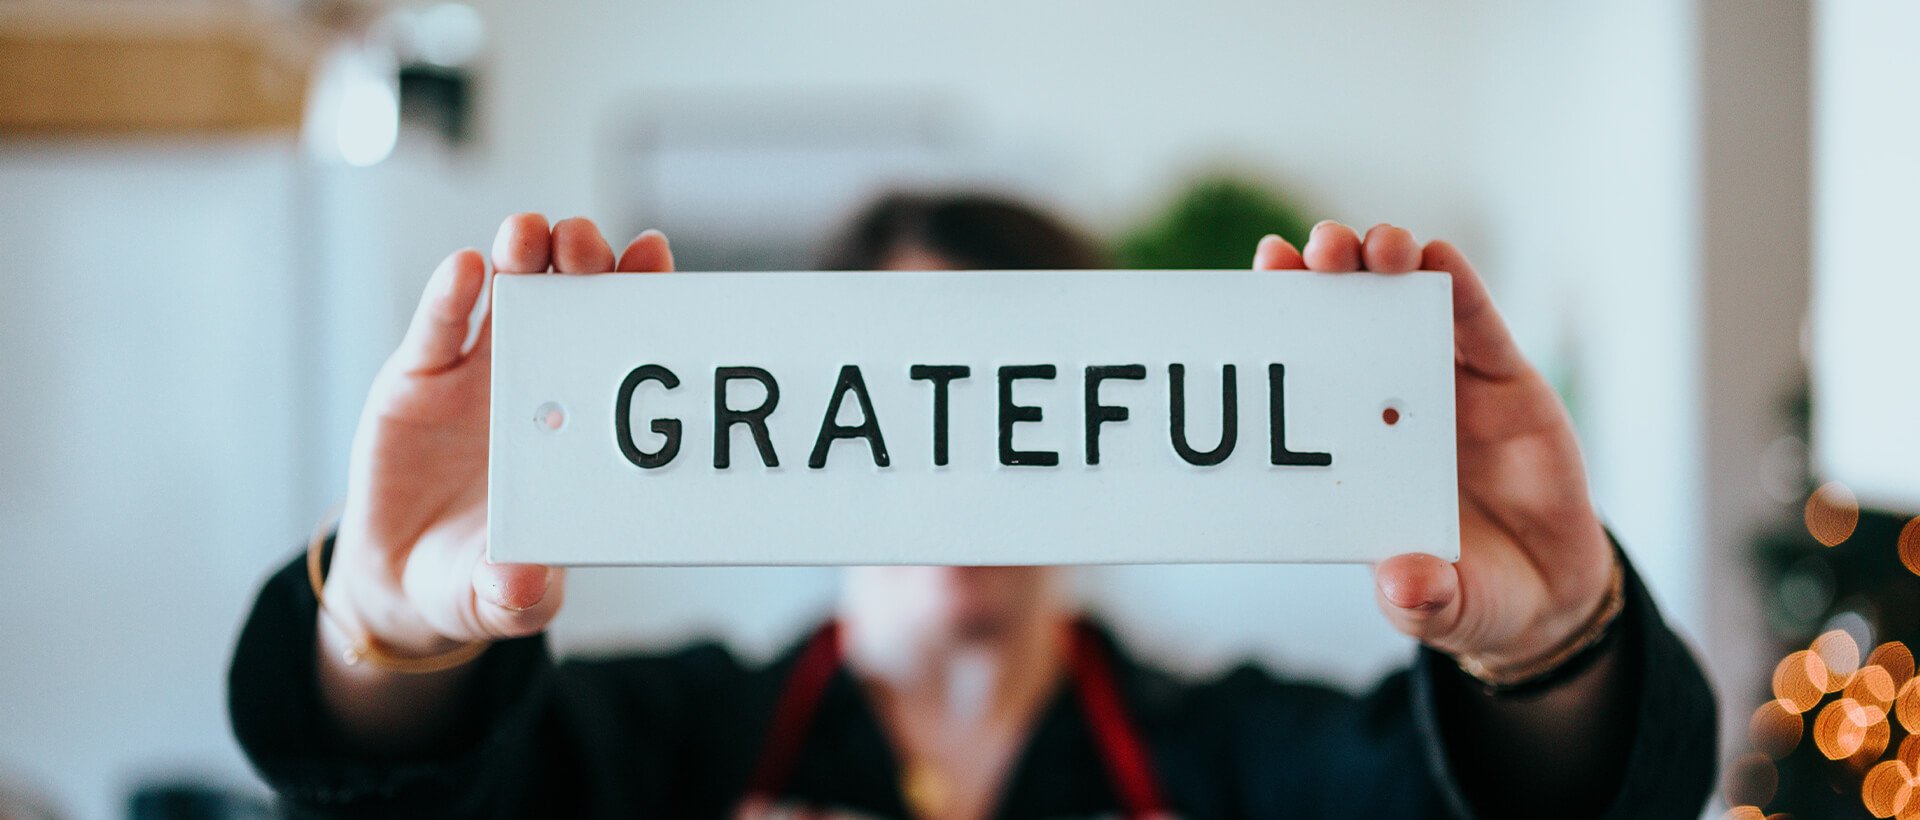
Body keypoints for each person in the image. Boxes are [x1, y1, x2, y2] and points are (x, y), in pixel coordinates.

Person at [228, 193, 1716, 819]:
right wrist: (389, 631)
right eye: (909, 385)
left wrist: (1557, 642)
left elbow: (1539, 806)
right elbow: (407, 801)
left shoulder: (1245, 754)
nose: (964, 452)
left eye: (1020, 394)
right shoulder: (660, 742)